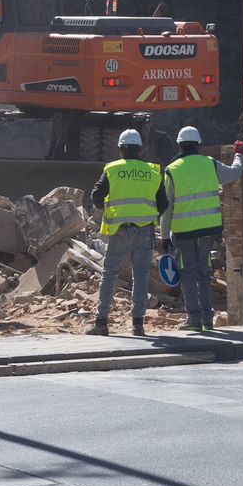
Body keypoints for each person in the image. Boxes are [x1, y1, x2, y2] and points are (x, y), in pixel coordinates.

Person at [160, 127, 243, 332]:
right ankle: (208, 319)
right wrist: (239, 154)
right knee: (204, 275)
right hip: (207, 231)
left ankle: (194, 319)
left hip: (183, 233)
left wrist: (164, 236)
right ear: (199, 144)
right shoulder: (210, 164)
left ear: (180, 144)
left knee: (187, 275)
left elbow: (167, 207)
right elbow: (235, 172)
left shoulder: (172, 170)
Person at [88, 128, 168, 337]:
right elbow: (163, 203)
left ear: (120, 149)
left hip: (120, 230)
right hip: (144, 231)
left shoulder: (113, 169)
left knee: (109, 275)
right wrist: (148, 217)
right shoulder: (152, 171)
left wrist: (107, 210)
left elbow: (96, 195)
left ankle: (102, 322)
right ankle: (138, 325)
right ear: (140, 149)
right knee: (141, 277)